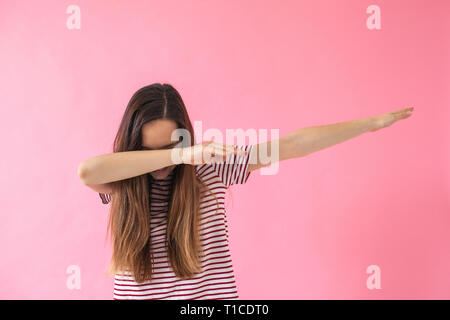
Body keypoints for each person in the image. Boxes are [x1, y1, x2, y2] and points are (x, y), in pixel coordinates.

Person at [77, 83, 414, 300]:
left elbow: (295, 145)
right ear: (134, 144)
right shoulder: (123, 178)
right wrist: (180, 154)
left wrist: (370, 124)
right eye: (150, 152)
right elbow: (87, 171)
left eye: (172, 146)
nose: (161, 164)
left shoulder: (210, 167)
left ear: (185, 135)